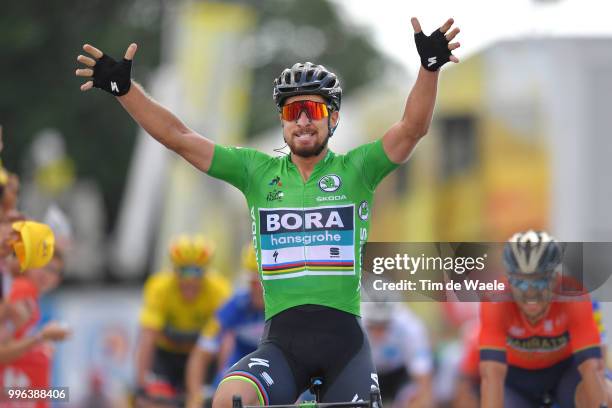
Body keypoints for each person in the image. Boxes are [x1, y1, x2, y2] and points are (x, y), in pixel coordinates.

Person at [75, 17, 461, 407]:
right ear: (282, 122)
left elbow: (412, 128)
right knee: (230, 398)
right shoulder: (256, 172)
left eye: (313, 108)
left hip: (344, 347)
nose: (304, 120)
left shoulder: (358, 170)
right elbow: (178, 138)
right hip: (282, 344)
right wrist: (125, 90)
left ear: (334, 118)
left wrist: (429, 70)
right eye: (293, 113)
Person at [479, 230, 612, 408]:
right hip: (516, 381)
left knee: (607, 393)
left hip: (565, 374)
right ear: (509, 282)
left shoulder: (574, 297)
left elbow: (591, 366)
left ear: (555, 279)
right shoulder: (496, 300)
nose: (530, 293)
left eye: (540, 281)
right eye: (521, 282)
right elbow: (491, 373)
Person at [135, 235, 231, 403]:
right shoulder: (159, 286)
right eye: (184, 271)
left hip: (202, 356)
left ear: (206, 270)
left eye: (197, 271)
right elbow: (147, 336)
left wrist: (225, 377)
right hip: (166, 356)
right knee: (152, 401)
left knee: (202, 400)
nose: (190, 280)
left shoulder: (219, 289)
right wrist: (141, 384)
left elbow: (226, 339)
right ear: (174, 270)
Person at [186, 244, 265, 408]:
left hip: (277, 361)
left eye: (261, 282)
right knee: (224, 392)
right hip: (241, 359)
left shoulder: (288, 306)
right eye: (252, 282)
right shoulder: (236, 305)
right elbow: (201, 354)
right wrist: (195, 396)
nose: (256, 289)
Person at [361, 301, 433, 408]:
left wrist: (423, 397)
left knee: (416, 398)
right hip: (367, 373)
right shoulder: (355, 323)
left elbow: (422, 368)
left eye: (383, 325)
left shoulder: (409, 325)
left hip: (400, 373)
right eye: (373, 326)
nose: (377, 332)